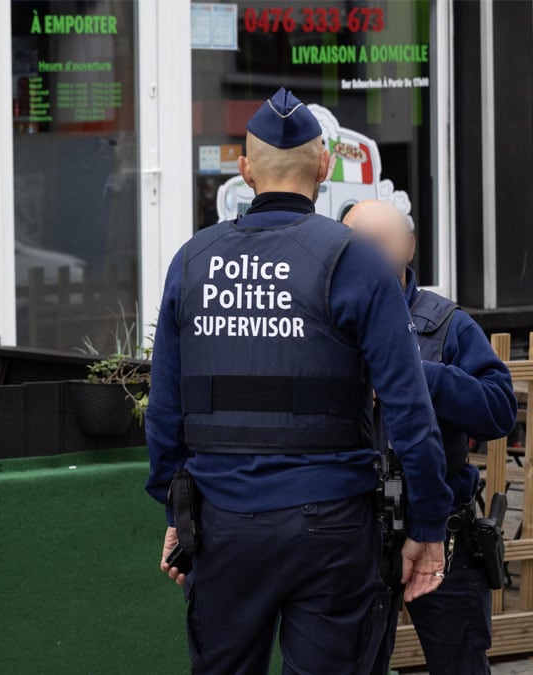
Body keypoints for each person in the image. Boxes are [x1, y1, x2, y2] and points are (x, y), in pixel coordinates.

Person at [144, 89, 454, 675]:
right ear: (324, 165)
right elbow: (410, 409)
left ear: (244, 168)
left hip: (223, 523)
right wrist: (428, 525)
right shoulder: (355, 259)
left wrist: (174, 512)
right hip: (332, 526)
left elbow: (164, 411)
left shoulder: (193, 260)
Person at [345, 200, 517, 675]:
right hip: (354, 532)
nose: (369, 253)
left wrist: (423, 378)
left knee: (459, 663)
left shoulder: (447, 323)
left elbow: (500, 413)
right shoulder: (329, 321)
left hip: (445, 533)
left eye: (381, 241)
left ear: (409, 246)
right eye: (357, 242)